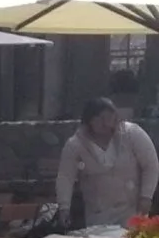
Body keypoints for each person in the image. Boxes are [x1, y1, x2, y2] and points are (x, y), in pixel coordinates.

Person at [54, 95, 157, 230]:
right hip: (98, 214)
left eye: (110, 118)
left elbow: (151, 165)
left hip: (132, 210)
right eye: (100, 119)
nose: (106, 124)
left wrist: (146, 196)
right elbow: (65, 177)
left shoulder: (133, 134)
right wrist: (64, 207)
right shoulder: (75, 145)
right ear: (89, 120)